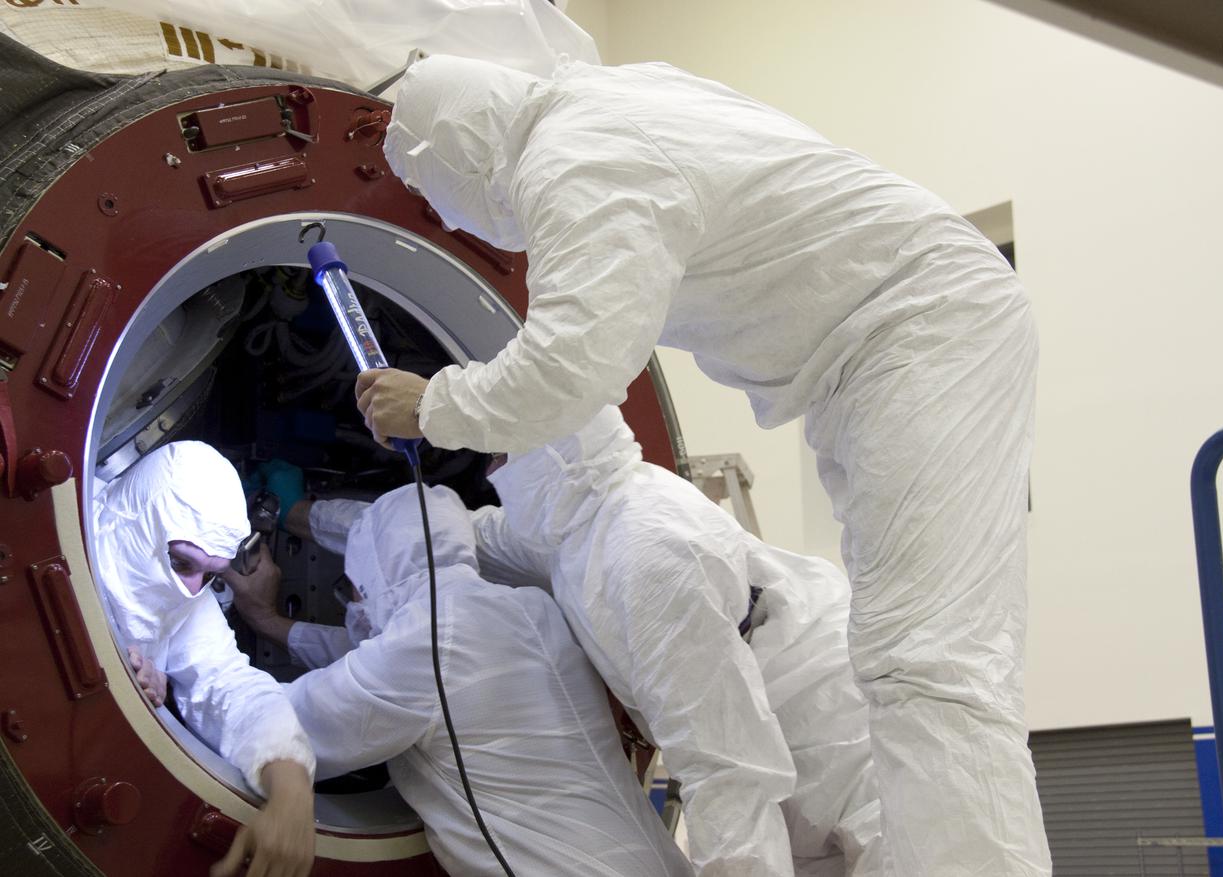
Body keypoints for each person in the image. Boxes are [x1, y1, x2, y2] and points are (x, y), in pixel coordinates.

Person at [353, 54, 1049, 875]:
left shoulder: (576, 157)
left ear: (457, 156)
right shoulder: (611, 98)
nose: (446, 215)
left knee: (927, 662)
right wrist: (323, 519)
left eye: (432, 191)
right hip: (872, 354)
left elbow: (568, 367)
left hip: (914, 332)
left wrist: (433, 405)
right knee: (916, 664)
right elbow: (479, 528)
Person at [469, 405, 879, 877]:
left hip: (841, 753)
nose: (490, 472)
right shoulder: (583, 517)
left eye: (496, 454)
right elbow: (486, 538)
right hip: (794, 751)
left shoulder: (644, 550)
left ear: (544, 450)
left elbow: (726, 774)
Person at [225, 481, 694, 877]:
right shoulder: (529, 608)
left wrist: (201, 643)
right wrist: (270, 622)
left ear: (374, 576)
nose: (352, 601)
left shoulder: (424, 646)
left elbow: (288, 719)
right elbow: (388, 664)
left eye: (351, 587)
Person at [93, 440, 315, 877]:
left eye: (211, 574)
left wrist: (290, 781)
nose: (194, 589)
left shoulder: (186, 605)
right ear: (143, 526)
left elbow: (227, 683)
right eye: (181, 563)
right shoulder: (59, 536)